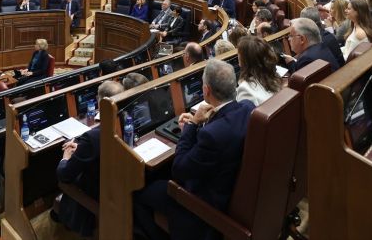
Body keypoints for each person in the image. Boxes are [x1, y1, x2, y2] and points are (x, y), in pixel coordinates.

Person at [133, 60, 255, 240]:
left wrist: (191, 125)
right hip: (228, 183)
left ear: (206, 90)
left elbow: (179, 169)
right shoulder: (248, 108)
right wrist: (202, 123)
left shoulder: (212, 135)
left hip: (201, 203)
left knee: (138, 191)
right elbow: (223, 134)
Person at [56, 80, 125, 237]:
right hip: (118, 186)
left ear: (101, 103)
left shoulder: (93, 136)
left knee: (66, 174)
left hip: (97, 191)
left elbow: (64, 175)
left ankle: (66, 217)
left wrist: (66, 157)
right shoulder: (124, 123)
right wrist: (82, 149)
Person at [235, 35, 282, 105]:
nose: (237, 56)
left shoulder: (245, 90)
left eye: (238, 54)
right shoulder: (275, 77)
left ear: (244, 60)